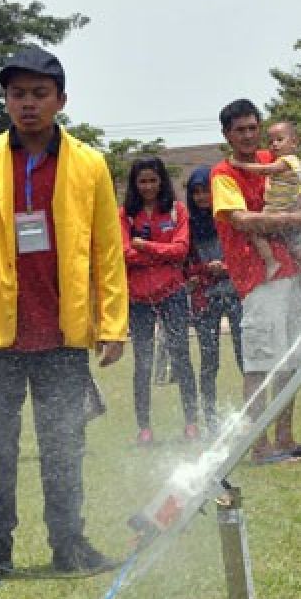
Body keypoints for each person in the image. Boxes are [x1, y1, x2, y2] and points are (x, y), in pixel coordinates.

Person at [0, 46, 127, 585]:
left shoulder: (89, 164)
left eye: (39, 94)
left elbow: (107, 252)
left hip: (64, 333)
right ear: (5, 100)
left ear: (61, 100)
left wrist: (111, 324)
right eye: (17, 94)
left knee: (64, 446)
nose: (27, 104)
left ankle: (69, 544)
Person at [211, 99, 301, 464]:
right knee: (259, 365)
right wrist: (291, 219)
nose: (248, 135)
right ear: (226, 134)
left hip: (288, 273)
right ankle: (258, 446)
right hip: (256, 279)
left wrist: (299, 209)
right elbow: (240, 220)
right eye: (239, 130)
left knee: (291, 361)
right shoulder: (224, 173)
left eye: (252, 128)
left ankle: (285, 438)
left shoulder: (272, 162)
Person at [121, 157, 200, 443]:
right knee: (142, 363)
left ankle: (191, 423)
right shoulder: (125, 215)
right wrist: (157, 251)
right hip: (139, 298)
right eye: (142, 181)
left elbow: (180, 250)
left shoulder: (177, 211)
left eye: (153, 180)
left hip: (173, 293)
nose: (148, 187)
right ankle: (144, 429)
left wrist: (144, 247)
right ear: (135, 184)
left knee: (181, 357)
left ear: (162, 181)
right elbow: (123, 253)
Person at [184, 166, 243, 435]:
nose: (201, 197)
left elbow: (245, 251)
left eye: (205, 190)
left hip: (236, 292)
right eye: (195, 193)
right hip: (205, 298)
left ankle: (253, 416)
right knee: (209, 361)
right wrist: (204, 269)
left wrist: (228, 266)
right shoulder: (190, 224)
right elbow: (186, 262)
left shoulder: (229, 217)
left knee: (246, 357)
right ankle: (209, 420)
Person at [227, 120, 301, 282]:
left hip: (277, 210)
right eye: (270, 142)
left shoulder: (285, 161)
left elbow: (264, 170)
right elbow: (299, 191)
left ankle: (271, 262)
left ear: (294, 142)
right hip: (288, 209)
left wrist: (240, 164)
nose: (274, 145)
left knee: (254, 230)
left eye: (279, 140)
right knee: (293, 242)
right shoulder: (293, 163)